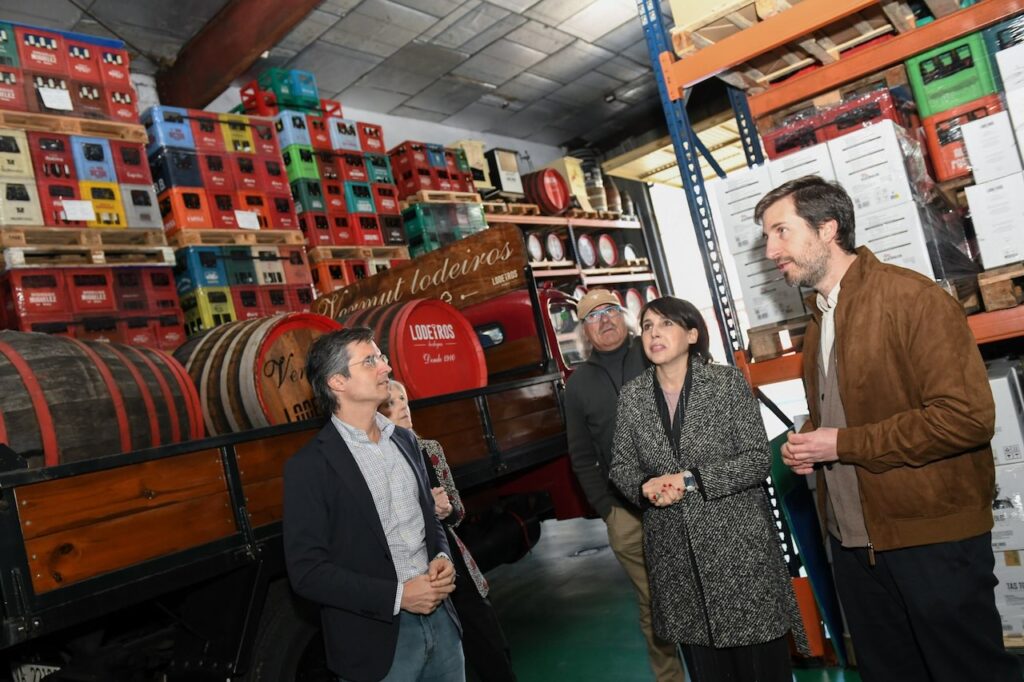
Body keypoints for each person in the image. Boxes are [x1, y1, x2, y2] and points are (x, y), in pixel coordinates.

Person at [755, 175, 1019, 682]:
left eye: (781, 232)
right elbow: (855, 403)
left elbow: (965, 418)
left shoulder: (912, 300)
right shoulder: (820, 320)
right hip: (856, 546)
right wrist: (813, 440)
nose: (771, 250)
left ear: (827, 228)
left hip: (930, 537)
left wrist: (843, 443)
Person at [610, 296, 808, 681]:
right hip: (676, 558)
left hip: (737, 552)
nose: (654, 334)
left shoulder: (726, 383)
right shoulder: (632, 398)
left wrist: (690, 480)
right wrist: (644, 486)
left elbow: (756, 459)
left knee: (760, 665)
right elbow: (620, 465)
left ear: (692, 334)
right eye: (648, 326)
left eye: (666, 324)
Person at [283, 327, 464, 682]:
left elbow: (430, 521)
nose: (386, 368)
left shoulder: (406, 441)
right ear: (338, 381)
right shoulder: (309, 467)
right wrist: (399, 596)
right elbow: (307, 572)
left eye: (380, 358)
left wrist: (442, 557)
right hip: (377, 642)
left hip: (442, 622)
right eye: (370, 361)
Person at [565, 288, 687, 682]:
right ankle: (670, 678)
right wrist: (608, 510)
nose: (604, 320)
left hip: (679, 497)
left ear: (625, 315)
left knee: (700, 589)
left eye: (610, 311)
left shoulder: (653, 353)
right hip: (626, 512)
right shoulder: (578, 384)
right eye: (593, 316)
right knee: (654, 604)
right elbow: (581, 456)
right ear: (585, 331)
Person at [380, 379, 517, 682]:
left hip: (453, 563)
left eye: (404, 399)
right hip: (415, 573)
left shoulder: (429, 449)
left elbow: (457, 511)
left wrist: (446, 511)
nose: (402, 406)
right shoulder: (377, 461)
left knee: (492, 647)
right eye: (391, 402)